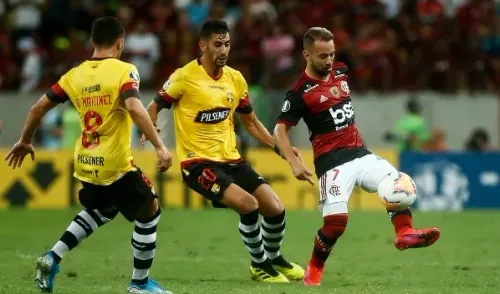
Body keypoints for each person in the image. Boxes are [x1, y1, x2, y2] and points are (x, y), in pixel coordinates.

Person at [5, 17, 173, 294]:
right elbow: (132, 106)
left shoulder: (74, 74)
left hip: (85, 162)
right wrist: (159, 145)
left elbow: (36, 108)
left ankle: (52, 257)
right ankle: (140, 284)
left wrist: (25, 140)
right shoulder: (125, 70)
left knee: (102, 210)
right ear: (120, 43)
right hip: (115, 164)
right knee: (150, 211)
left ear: (93, 42)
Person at [273, 27, 441, 287]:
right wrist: (293, 161)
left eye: (331, 54)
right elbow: (280, 129)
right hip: (332, 162)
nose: (328, 61)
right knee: (336, 224)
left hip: (360, 153)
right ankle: (314, 269)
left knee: (396, 183)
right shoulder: (300, 92)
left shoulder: (340, 71)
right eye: (322, 56)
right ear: (306, 54)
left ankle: (404, 233)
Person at [144, 20, 305, 283]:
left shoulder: (235, 79)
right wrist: (158, 144)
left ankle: (274, 258)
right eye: (217, 44)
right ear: (203, 45)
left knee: (275, 208)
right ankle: (259, 265)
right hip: (197, 164)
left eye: (227, 44)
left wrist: (282, 151)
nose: (223, 50)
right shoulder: (184, 76)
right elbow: (152, 108)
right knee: (249, 205)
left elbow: (251, 123)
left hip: (232, 160)